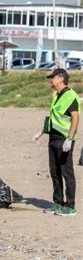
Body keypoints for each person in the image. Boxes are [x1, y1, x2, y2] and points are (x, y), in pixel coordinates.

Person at [33, 68, 80, 216]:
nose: (50, 80)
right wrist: (42, 131)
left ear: (61, 79)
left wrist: (69, 138)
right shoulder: (56, 95)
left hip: (64, 139)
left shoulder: (70, 96)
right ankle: (58, 203)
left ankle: (70, 206)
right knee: (55, 172)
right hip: (53, 138)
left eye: (52, 77)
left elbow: (75, 117)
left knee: (67, 173)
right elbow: (53, 117)